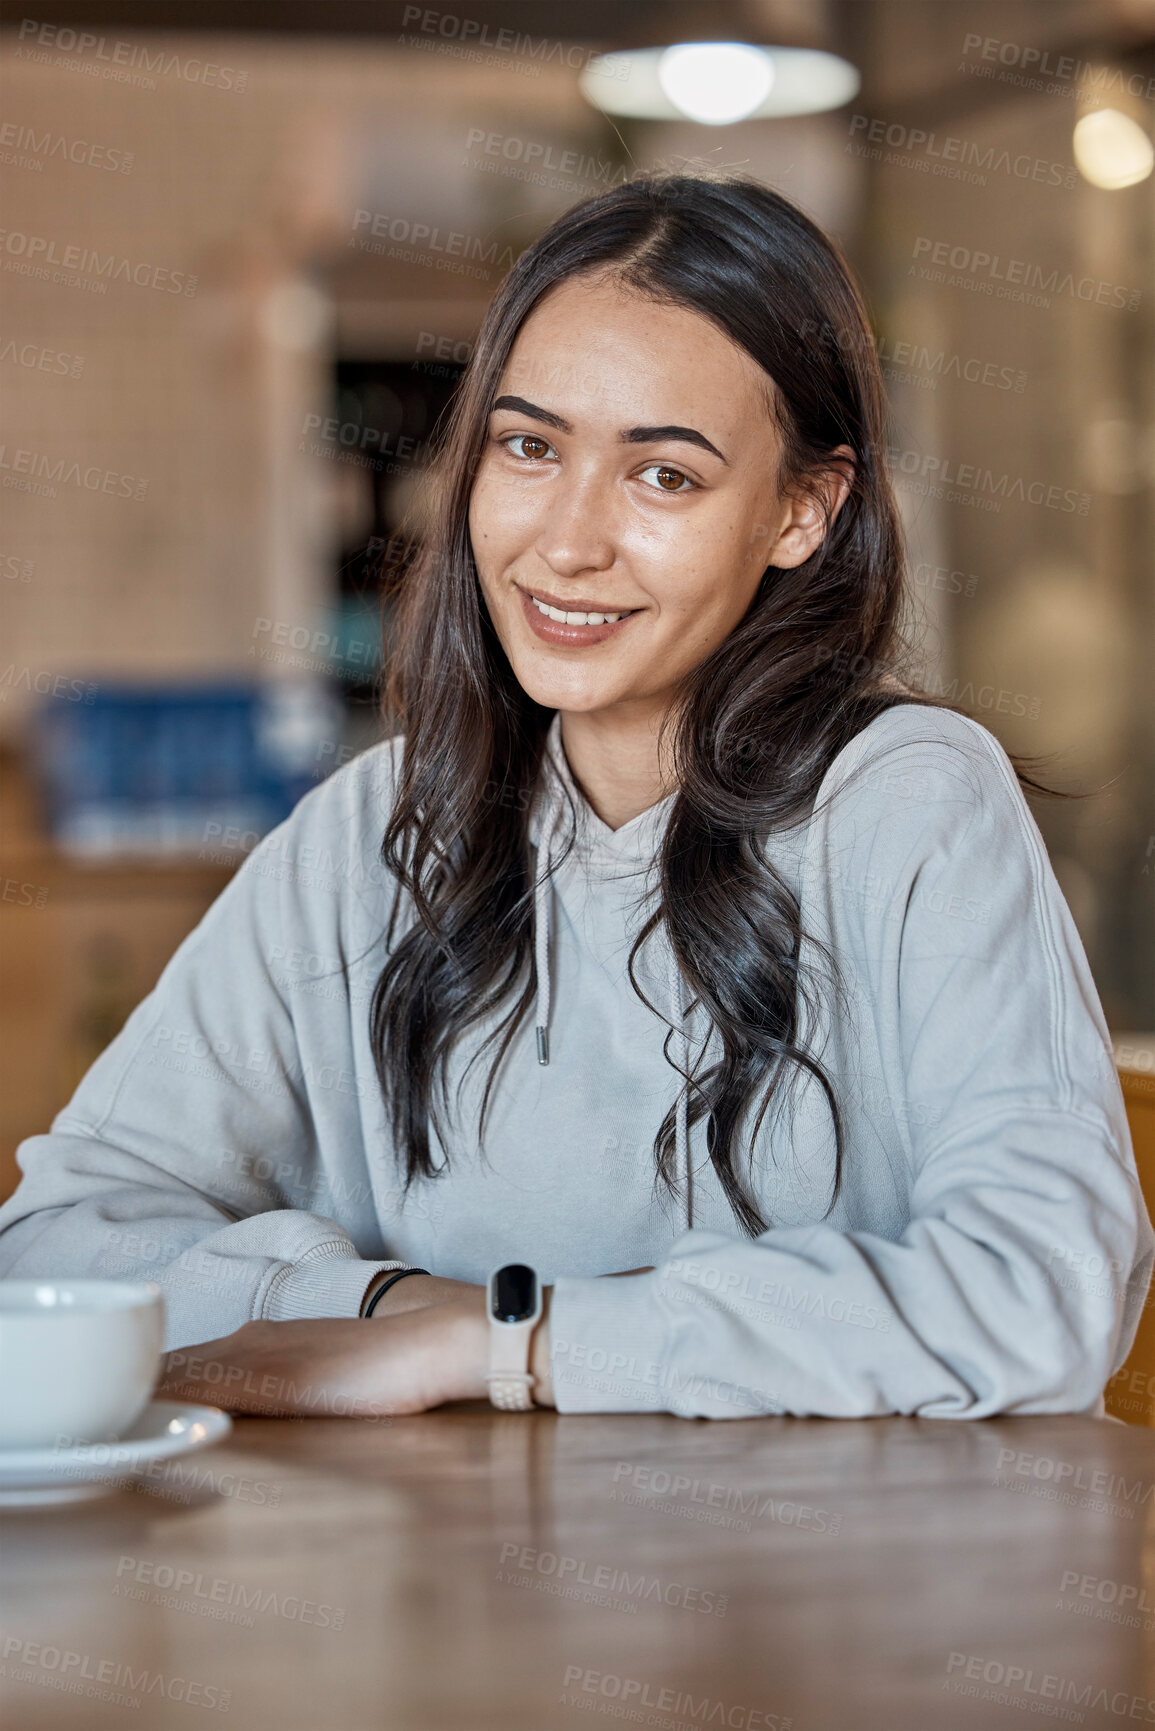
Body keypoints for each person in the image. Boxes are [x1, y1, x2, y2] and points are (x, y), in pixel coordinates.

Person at [1, 174, 1149, 1422]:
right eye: (530, 447)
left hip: (836, 1603)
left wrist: (501, 1344)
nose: (567, 541)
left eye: (664, 477)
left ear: (803, 511)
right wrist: (379, 1306)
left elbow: (1042, 1293)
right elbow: (58, 1242)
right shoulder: (376, 830)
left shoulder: (910, 801)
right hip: (472, 1596)